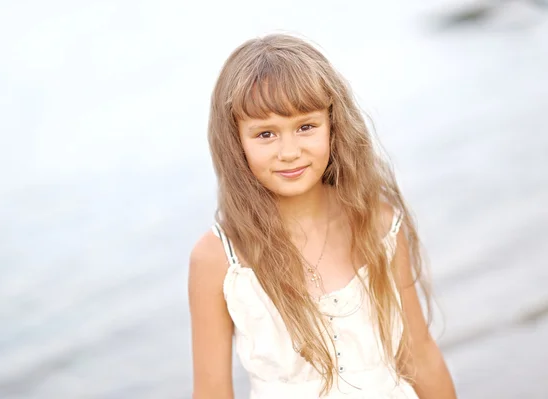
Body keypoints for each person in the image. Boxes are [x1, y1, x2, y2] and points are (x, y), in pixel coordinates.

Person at [188, 33, 457, 399]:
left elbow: (419, 355)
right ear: (235, 143)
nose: (289, 151)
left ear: (333, 124)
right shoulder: (219, 259)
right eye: (265, 134)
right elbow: (212, 391)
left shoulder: (376, 223)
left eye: (305, 126)